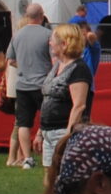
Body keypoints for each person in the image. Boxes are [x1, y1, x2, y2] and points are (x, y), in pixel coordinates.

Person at [35, 22, 96, 172]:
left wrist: (67, 136)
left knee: (63, 176)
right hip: (48, 131)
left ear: (63, 44)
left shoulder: (79, 69)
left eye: (53, 40)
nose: (50, 43)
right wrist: (40, 131)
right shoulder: (57, 66)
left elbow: (79, 105)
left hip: (63, 130)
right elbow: (48, 98)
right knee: (49, 179)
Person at [6, 3, 54, 171]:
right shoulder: (49, 34)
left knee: (23, 123)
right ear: (41, 16)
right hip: (43, 84)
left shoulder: (17, 35)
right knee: (47, 118)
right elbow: (55, 60)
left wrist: (24, 67)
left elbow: (10, 60)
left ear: (27, 16)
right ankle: (47, 154)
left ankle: (27, 158)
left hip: (23, 85)